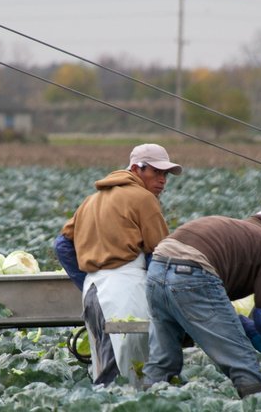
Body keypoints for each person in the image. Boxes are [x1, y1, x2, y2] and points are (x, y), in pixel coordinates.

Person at [143, 201, 261, 398]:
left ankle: (147, 400)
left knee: (162, 361)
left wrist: (251, 332)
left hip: (156, 270)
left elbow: (212, 307)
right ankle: (255, 402)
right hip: (191, 272)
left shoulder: (239, 230)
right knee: (243, 363)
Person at [53, 143, 182, 386]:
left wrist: (89, 279)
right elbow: (161, 253)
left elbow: (61, 245)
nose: (163, 180)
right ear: (136, 168)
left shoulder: (91, 200)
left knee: (104, 365)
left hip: (93, 294)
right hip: (126, 292)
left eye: (165, 174)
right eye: (156, 172)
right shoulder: (144, 199)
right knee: (128, 373)